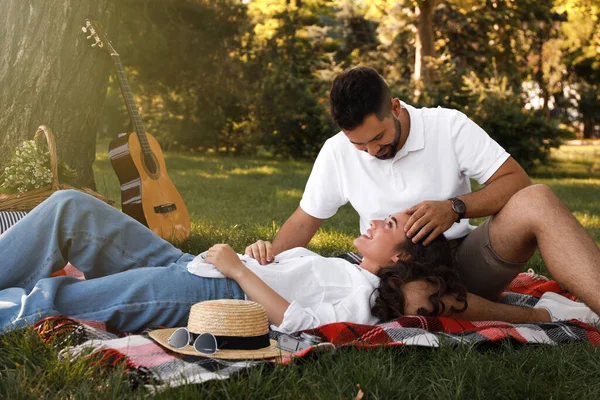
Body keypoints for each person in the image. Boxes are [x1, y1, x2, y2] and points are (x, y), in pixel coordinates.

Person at [245, 66, 600, 316]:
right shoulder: (336, 150)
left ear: (395, 108)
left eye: (378, 138)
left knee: (537, 198)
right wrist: (263, 263)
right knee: (411, 300)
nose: (372, 152)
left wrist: (455, 207)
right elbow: (305, 222)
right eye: (359, 144)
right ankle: (536, 317)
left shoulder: (448, 126)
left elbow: (515, 181)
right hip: (399, 275)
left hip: (466, 260)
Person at [2, 190, 590, 335]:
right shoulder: (357, 271)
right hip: (200, 264)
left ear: (404, 258)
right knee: (70, 208)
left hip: (204, 293)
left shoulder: (369, 300)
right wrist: (259, 256)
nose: (378, 219)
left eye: (391, 225)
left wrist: (240, 272)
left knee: (51, 303)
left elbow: (298, 323)